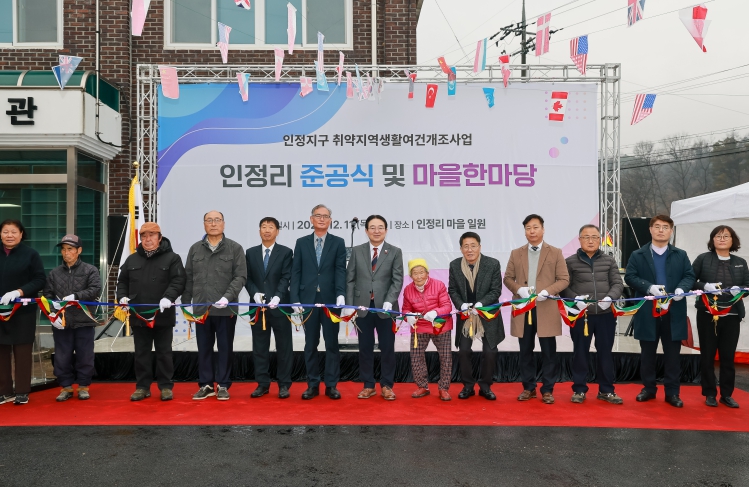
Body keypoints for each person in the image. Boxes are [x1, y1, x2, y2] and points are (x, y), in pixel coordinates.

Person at [625, 214, 695, 408]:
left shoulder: (680, 254)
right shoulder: (638, 254)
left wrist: (682, 289)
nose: (661, 230)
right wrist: (648, 287)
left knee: (673, 355)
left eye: (665, 227)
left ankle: (672, 392)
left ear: (671, 231)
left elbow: (689, 276)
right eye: (657, 226)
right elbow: (630, 276)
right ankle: (648, 389)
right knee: (647, 353)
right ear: (650, 229)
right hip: (648, 311)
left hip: (674, 311)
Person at [504, 214, 570, 404]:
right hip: (524, 308)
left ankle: (548, 389)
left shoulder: (555, 252)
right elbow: (507, 278)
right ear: (524, 231)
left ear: (543, 229)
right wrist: (519, 289)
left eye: (535, 227)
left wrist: (548, 291)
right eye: (528, 228)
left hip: (546, 307)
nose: (531, 231)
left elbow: (564, 279)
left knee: (549, 352)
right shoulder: (516, 253)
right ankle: (528, 388)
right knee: (525, 351)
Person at [182, 211, 247, 401]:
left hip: (226, 309)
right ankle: (206, 385)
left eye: (217, 220)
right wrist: (185, 303)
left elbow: (240, 276)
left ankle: (224, 385)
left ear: (223, 224)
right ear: (204, 224)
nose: (213, 223)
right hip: (201, 310)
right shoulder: (195, 249)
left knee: (225, 348)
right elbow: (188, 277)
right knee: (204, 348)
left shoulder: (235, 248)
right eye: (209, 220)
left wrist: (227, 297)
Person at [117, 222, 185, 401]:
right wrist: (122, 297)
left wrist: (168, 297)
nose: (148, 239)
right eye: (144, 236)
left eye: (152, 235)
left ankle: (165, 386)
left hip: (162, 314)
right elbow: (122, 281)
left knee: (164, 353)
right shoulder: (132, 259)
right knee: (141, 353)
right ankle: (142, 387)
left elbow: (178, 281)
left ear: (160, 238)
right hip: (139, 315)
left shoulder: (172, 258)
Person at [561, 225, 624, 405]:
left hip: (606, 315)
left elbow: (617, 283)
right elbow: (564, 286)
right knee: (580, 353)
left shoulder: (609, 260)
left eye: (594, 237)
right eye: (586, 237)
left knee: (605, 353)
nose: (590, 241)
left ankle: (606, 390)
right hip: (582, 315)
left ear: (600, 239)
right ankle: (579, 389)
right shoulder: (570, 262)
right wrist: (575, 299)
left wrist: (610, 298)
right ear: (579, 240)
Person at [290, 204, 347, 400]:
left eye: (325, 216)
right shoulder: (301, 242)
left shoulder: (338, 242)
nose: (322, 219)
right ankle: (312, 384)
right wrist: (295, 298)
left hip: (330, 301)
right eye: (318, 215)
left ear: (330, 220)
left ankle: (331, 385)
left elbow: (340, 270)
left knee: (332, 344)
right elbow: (296, 272)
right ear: (311, 219)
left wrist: (341, 294)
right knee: (310, 344)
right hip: (308, 300)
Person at [344, 215, 403, 401]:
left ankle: (387, 385)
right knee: (365, 347)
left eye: (380, 227)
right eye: (372, 227)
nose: (376, 231)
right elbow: (350, 279)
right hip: (363, 307)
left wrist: (390, 300)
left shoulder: (395, 252)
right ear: (366, 230)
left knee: (387, 348)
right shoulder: (357, 251)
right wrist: (349, 305)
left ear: (386, 230)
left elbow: (397, 280)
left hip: (386, 309)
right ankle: (368, 385)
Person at [691, 225, 749, 408]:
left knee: (728, 357)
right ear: (712, 239)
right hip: (707, 314)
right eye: (718, 236)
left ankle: (726, 394)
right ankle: (709, 393)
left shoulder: (741, 262)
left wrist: (741, 290)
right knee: (707, 356)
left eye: (726, 236)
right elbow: (690, 281)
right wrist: (704, 286)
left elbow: (747, 286)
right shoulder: (703, 259)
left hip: (732, 315)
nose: (722, 239)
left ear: (733, 240)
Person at [43, 235, 102, 402]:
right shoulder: (54, 273)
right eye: (63, 249)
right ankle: (66, 387)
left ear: (79, 250)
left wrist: (76, 296)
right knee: (62, 356)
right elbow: (47, 295)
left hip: (84, 321)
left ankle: (83, 386)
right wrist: (53, 312)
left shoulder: (90, 270)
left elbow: (95, 289)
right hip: (62, 322)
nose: (66, 252)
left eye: (70, 249)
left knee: (85, 356)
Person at [448, 232, 504, 400]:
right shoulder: (455, 265)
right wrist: (461, 305)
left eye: (473, 245)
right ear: (461, 249)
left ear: (480, 247)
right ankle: (468, 386)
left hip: (487, 314)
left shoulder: (492, 264)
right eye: (466, 246)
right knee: (464, 350)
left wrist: (481, 304)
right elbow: (453, 290)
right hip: (466, 315)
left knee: (490, 351)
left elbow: (496, 290)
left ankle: (485, 386)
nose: (470, 249)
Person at [245, 217, 294, 399]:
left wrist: (278, 296)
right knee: (259, 347)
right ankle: (262, 384)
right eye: (263, 227)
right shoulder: (250, 253)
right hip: (257, 309)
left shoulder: (286, 252)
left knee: (284, 347)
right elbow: (247, 277)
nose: (267, 230)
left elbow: (286, 277)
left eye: (271, 227)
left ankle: (284, 384)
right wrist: (255, 294)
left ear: (277, 231)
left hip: (280, 308)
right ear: (259, 231)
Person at [0, 220, 46, 405]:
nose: (9, 235)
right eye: (5, 232)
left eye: (13, 232)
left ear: (21, 234)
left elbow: (40, 279)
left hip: (23, 311)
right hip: (1, 310)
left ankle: (21, 391)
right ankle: (4, 391)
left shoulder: (31, 254)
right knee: (1, 351)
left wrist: (19, 292)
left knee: (22, 350)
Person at [402, 258, 453, 401]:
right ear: (410, 276)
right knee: (416, 356)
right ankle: (422, 386)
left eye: (421, 272)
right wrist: (408, 316)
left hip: (440, 325)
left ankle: (443, 388)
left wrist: (436, 312)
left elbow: (447, 306)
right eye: (415, 273)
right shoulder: (408, 289)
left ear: (427, 273)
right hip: (420, 326)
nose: (419, 276)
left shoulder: (439, 285)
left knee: (446, 357)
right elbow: (405, 309)